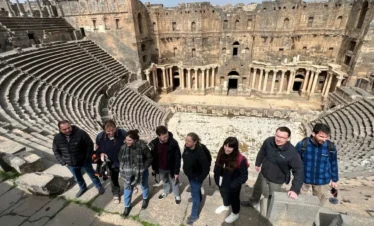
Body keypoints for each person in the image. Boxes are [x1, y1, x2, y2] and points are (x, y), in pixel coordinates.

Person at [241, 127, 303, 217]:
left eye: (282, 137)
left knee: (271, 197)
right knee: (257, 189)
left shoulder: (292, 153)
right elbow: (262, 151)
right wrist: (258, 163)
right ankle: (252, 202)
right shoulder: (269, 141)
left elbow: (299, 171)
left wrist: (295, 189)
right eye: (277, 135)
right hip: (264, 173)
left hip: (276, 180)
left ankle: (268, 215)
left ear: (288, 138)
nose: (278, 139)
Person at [52, 120, 105, 198]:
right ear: (60, 130)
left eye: (68, 128)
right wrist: (63, 162)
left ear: (71, 126)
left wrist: (87, 157)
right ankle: (83, 188)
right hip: (70, 163)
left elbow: (89, 145)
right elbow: (55, 150)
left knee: (92, 174)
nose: (67, 130)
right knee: (77, 177)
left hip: (84, 161)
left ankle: (98, 185)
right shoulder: (57, 138)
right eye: (64, 129)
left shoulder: (80, 133)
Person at [296, 123, 339, 205]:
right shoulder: (302, 145)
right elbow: (295, 161)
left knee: (318, 204)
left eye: (326, 137)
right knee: (298, 202)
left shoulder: (330, 147)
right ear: (313, 134)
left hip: (322, 180)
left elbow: (333, 162)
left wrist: (334, 179)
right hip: (303, 179)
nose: (324, 140)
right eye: (321, 137)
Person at [214, 137, 249, 223]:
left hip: (233, 185)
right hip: (221, 182)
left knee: (234, 200)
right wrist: (216, 175)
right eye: (225, 145)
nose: (226, 148)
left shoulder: (240, 160)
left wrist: (233, 185)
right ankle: (226, 205)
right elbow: (217, 163)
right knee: (224, 195)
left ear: (235, 148)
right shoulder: (221, 151)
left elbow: (244, 176)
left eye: (230, 147)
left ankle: (235, 213)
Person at [119, 129, 153, 217]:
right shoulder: (123, 147)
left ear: (135, 140)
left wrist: (143, 168)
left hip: (141, 171)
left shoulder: (142, 146)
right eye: (126, 140)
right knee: (127, 188)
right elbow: (120, 158)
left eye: (129, 140)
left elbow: (149, 158)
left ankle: (145, 198)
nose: (127, 142)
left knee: (144, 185)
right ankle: (127, 206)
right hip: (128, 172)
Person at [182, 132, 210, 225]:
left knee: (194, 195)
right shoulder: (187, 147)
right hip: (190, 174)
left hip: (196, 177)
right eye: (186, 140)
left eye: (189, 141)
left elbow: (206, 168)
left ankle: (194, 215)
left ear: (195, 142)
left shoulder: (200, 152)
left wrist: (199, 178)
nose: (186, 142)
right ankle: (199, 198)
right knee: (195, 191)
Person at [95, 120, 126, 203]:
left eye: (113, 130)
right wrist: (101, 153)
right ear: (104, 130)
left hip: (123, 161)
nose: (111, 132)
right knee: (113, 179)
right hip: (111, 163)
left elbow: (130, 142)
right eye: (108, 131)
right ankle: (116, 193)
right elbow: (97, 148)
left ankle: (130, 186)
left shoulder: (122, 133)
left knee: (127, 176)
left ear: (116, 128)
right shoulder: (100, 137)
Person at [149, 126, 182, 204]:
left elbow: (178, 157)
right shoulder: (154, 144)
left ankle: (177, 195)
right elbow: (153, 157)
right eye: (164, 137)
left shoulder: (173, 143)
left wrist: (176, 172)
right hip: (161, 168)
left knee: (175, 181)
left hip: (171, 167)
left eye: (167, 135)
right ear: (158, 136)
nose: (166, 138)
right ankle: (166, 191)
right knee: (164, 180)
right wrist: (154, 168)